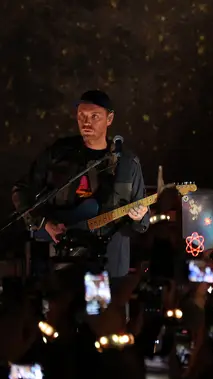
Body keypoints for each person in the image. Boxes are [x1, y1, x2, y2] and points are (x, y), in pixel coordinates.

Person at [12, 90, 150, 278]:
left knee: (102, 307)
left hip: (109, 260)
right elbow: (21, 190)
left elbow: (142, 224)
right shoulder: (59, 154)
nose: (87, 122)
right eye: (82, 116)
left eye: (95, 116)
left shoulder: (127, 162)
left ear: (109, 119)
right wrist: (44, 223)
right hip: (61, 258)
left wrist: (139, 216)